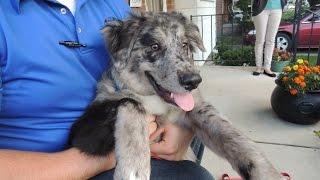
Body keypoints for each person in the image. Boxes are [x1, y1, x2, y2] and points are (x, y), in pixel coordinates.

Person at [0, 0, 214, 179]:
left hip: (130, 130)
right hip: (61, 164)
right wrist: (107, 157)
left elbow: (145, 73)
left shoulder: (111, 5)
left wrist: (181, 129)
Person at [252, 0, 287, 77]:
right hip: (261, 8)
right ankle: (259, 67)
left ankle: (267, 68)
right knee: (260, 40)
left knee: (271, 40)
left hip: (277, 8)